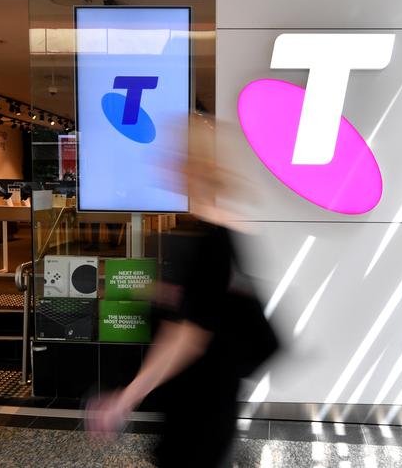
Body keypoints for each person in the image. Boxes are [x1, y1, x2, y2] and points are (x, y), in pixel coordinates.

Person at [86, 155, 276, 467]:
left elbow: (187, 336)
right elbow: (210, 302)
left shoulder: (212, 240)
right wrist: (163, 292)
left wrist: (125, 399)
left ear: (194, 171)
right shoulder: (227, 229)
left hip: (200, 404)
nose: (166, 172)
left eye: (175, 163)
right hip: (213, 396)